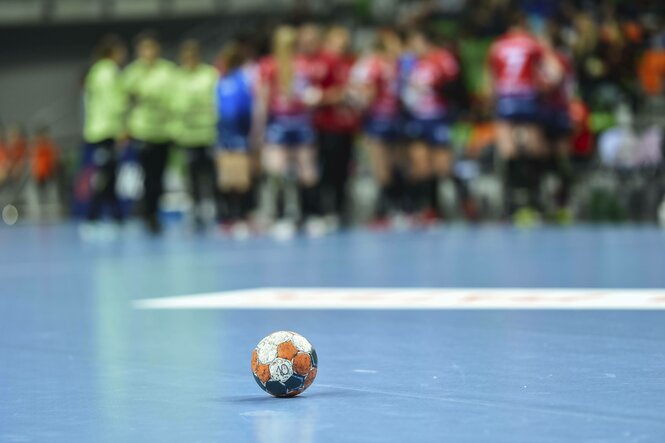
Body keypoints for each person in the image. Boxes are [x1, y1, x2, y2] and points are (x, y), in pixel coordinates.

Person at [255, 25, 325, 238]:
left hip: (301, 123)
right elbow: (262, 101)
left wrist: (312, 99)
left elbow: (312, 95)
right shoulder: (268, 66)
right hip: (278, 125)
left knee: (308, 172)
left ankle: (311, 214)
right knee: (277, 171)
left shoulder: (304, 65)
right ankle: (282, 216)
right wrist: (259, 131)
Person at [487, 12, 548, 219]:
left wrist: (491, 105)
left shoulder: (497, 46)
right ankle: (535, 200)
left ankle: (511, 205)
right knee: (534, 148)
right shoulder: (532, 43)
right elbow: (552, 73)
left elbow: (491, 81)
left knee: (507, 149)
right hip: (527, 98)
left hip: (506, 99)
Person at [402, 28, 461, 222]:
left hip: (438, 117)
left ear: (425, 41)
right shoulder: (414, 63)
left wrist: (434, 88)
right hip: (418, 118)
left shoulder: (442, 58)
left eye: (415, 42)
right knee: (421, 165)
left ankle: (464, 204)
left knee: (443, 166)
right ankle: (427, 209)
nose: (412, 47)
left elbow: (456, 86)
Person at [123, 31, 176, 234]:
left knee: (160, 175)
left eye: (151, 48)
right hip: (142, 131)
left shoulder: (168, 71)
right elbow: (124, 102)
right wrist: (125, 128)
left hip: (164, 132)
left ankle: (155, 209)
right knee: (147, 176)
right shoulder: (132, 73)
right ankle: (149, 214)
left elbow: (175, 100)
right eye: (144, 48)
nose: (148, 52)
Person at [349, 29, 403, 225]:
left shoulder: (395, 64)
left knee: (392, 164)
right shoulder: (374, 64)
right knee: (382, 165)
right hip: (379, 119)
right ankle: (387, 209)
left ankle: (392, 208)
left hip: (391, 119)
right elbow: (362, 93)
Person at [314, 26, 359, 228]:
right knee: (327, 169)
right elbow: (313, 95)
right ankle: (325, 210)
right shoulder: (322, 63)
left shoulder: (349, 63)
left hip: (347, 126)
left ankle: (341, 210)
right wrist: (337, 95)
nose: (342, 45)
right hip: (327, 125)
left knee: (344, 170)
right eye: (338, 40)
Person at [172, 39, 219, 231]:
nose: (189, 59)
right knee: (191, 175)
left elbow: (216, 101)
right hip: (187, 135)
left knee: (209, 173)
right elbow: (173, 104)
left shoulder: (209, 74)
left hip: (208, 132)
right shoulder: (177, 77)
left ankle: (211, 206)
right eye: (186, 56)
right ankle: (195, 208)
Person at [82, 35, 127, 225]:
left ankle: (116, 216)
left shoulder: (94, 71)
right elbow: (114, 104)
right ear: (113, 53)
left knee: (108, 173)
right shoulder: (109, 72)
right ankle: (93, 216)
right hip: (107, 131)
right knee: (104, 175)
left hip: (94, 131)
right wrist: (122, 128)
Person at [215, 38, 257, 235]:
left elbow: (245, 109)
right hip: (226, 136)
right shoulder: (222, 81)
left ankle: (241, 215)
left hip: (239, 135)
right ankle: (229, 216)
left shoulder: (242, 79)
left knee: (240, 179)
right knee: (228, 179)